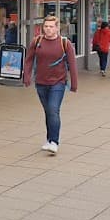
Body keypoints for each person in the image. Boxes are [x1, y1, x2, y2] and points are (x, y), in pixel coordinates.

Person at [23, 15, 77, 156]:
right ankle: (49, 139)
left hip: (58, 83)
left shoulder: (65, 43)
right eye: (46, 26)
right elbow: (29, 60)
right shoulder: (37, 41)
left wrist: (74, 84)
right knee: (48, 112)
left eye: (51, 26)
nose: (48, 29)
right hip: (41, 83)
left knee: (53, 110)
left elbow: (72, 64)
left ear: (57, 28)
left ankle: (54, 142)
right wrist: (27, 76)